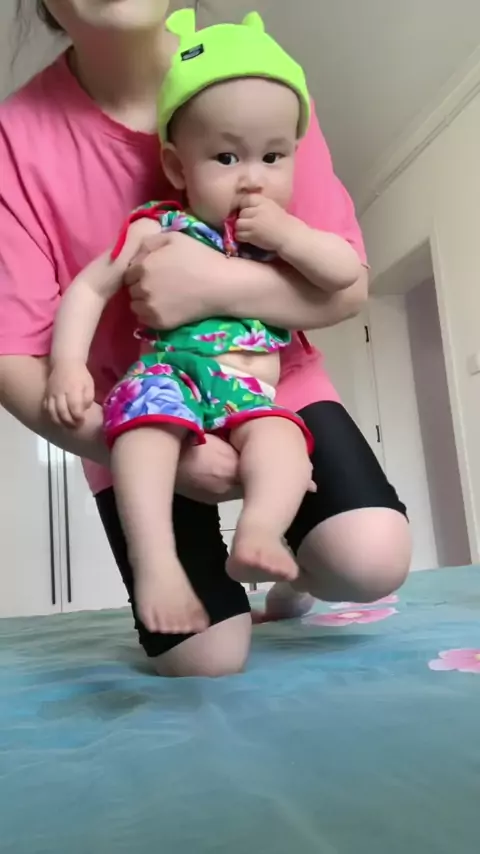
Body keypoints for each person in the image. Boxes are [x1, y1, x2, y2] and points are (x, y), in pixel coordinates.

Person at [0, 0, 410, 677]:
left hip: (267, 382)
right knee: (204, 660)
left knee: (369, 560)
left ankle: (279, 553)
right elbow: (18, 351)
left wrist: (214, 284)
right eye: (223, 156)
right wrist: (103, 413)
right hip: (142, 403)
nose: (250, 171)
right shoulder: (18, 142)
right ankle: (162, 565)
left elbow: (346, 283)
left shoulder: (258, 78)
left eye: (268, 156)